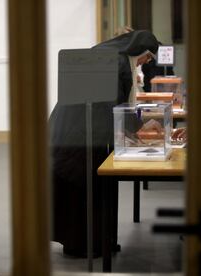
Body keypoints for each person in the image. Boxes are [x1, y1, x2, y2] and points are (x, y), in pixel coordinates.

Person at [49, 30, 159, 257]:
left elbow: (113, 104)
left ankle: (98, 241)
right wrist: (138, 129)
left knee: (90, 188)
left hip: (81, 130)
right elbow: (115, 106)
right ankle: (85, 245)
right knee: (83, 188)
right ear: (139, 50)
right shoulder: (117, 62)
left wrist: (137, 127)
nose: (145, 63)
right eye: (147, 57)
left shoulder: (111, 55)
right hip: (80, 135)